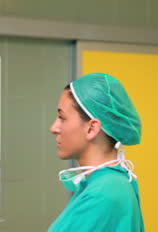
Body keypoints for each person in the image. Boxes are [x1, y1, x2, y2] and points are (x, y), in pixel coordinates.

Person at [48, 72, 144, 232]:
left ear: (92, 128)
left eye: (62, 118)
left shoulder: (103, 193)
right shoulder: (112, 182)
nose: (54, 128)